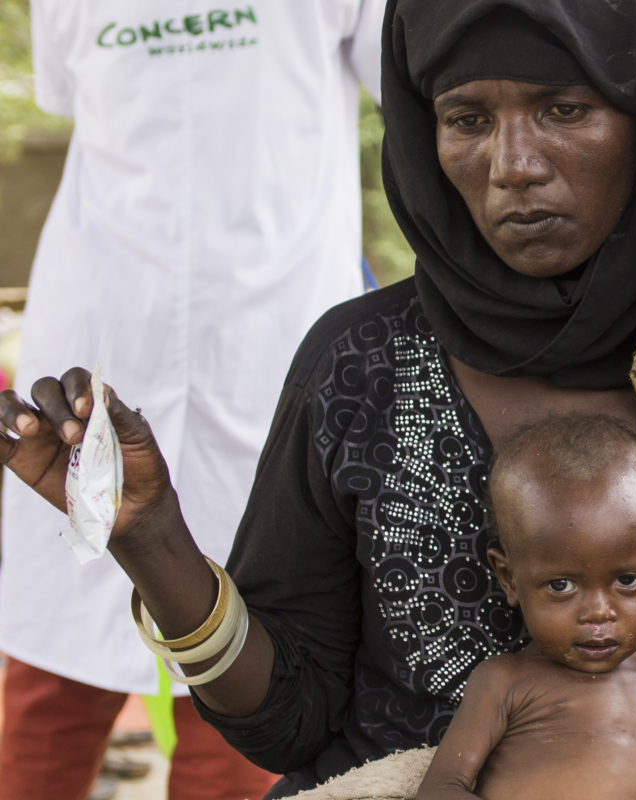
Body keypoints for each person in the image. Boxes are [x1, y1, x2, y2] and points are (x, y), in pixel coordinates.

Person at [0, 2, 636, 799]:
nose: (513, 165)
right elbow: (289, 722)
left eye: (564, 109)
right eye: (468, 119)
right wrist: (153, 540)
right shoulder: (357, 362)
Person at [0, 3, 381, 799]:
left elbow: (410, 72)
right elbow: (71, 95)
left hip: (273, 340)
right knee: (56, 666)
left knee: (261, 653)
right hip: (102, 336)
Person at [416, 415, 636, 800]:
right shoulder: (504, 683)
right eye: (561, 585)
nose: (598, 613)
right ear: (509, 578)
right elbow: (441, 789)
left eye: (627, 580)